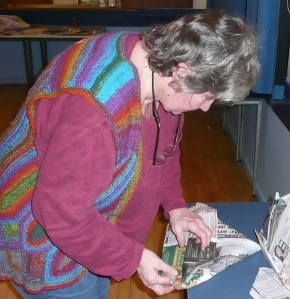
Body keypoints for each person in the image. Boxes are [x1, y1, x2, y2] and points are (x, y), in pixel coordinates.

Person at [0, 9, 260, 299]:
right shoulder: (92, 116)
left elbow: (165, 148)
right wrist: (135, 259)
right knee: (86, 291)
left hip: (89, 222)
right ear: (184, 69)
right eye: (208, 96)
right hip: (48, 245)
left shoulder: (157, 72)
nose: (205, 108)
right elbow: (61, 215)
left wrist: (176, 207)